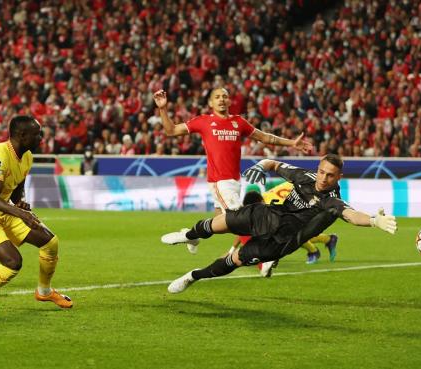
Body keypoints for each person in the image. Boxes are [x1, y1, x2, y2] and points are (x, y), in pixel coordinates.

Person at [161, 154, 397, 293]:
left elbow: (352, 215)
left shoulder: (332, 202)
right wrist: (259, 166)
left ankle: (193, 276)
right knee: (221, 222)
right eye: (322, 172)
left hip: (280, 242)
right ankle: (190, 235)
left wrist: (374, 220)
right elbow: (273, 163)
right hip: (267, 216)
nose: (324, 178)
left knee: (235, 260)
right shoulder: (305, 177)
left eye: (330, 175)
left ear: (339, 178)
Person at [153, 87, 312, 260]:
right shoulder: (203, 121)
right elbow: (171, 131)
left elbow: (265, 137)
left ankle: (192, 235)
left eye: (224, 96)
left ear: (229, 101)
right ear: (210, 103)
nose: (221, 99)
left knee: (219, 224)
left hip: (235, 181)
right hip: (219, 181)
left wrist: (291, 143)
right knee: (238, 219)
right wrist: (162, 108)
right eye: (217, 97)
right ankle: (264, 258)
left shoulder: (239, 122)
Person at [0, 115, 72, 312]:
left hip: (4, 208)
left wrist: (20, 202)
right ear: (22, 135)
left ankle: (44, 291)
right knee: (13, 262)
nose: (41, 138)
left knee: (50, 242)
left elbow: (16, 187)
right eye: (37, 134)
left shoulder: (27, 155)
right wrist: (22, 215)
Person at [259, 181, 338, 264]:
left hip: (303, 205)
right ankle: (328, 239)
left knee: (291, 235)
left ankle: (313, 252)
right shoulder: (267, 196)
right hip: (300, 201)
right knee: (294, 233)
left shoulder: (267, 205)